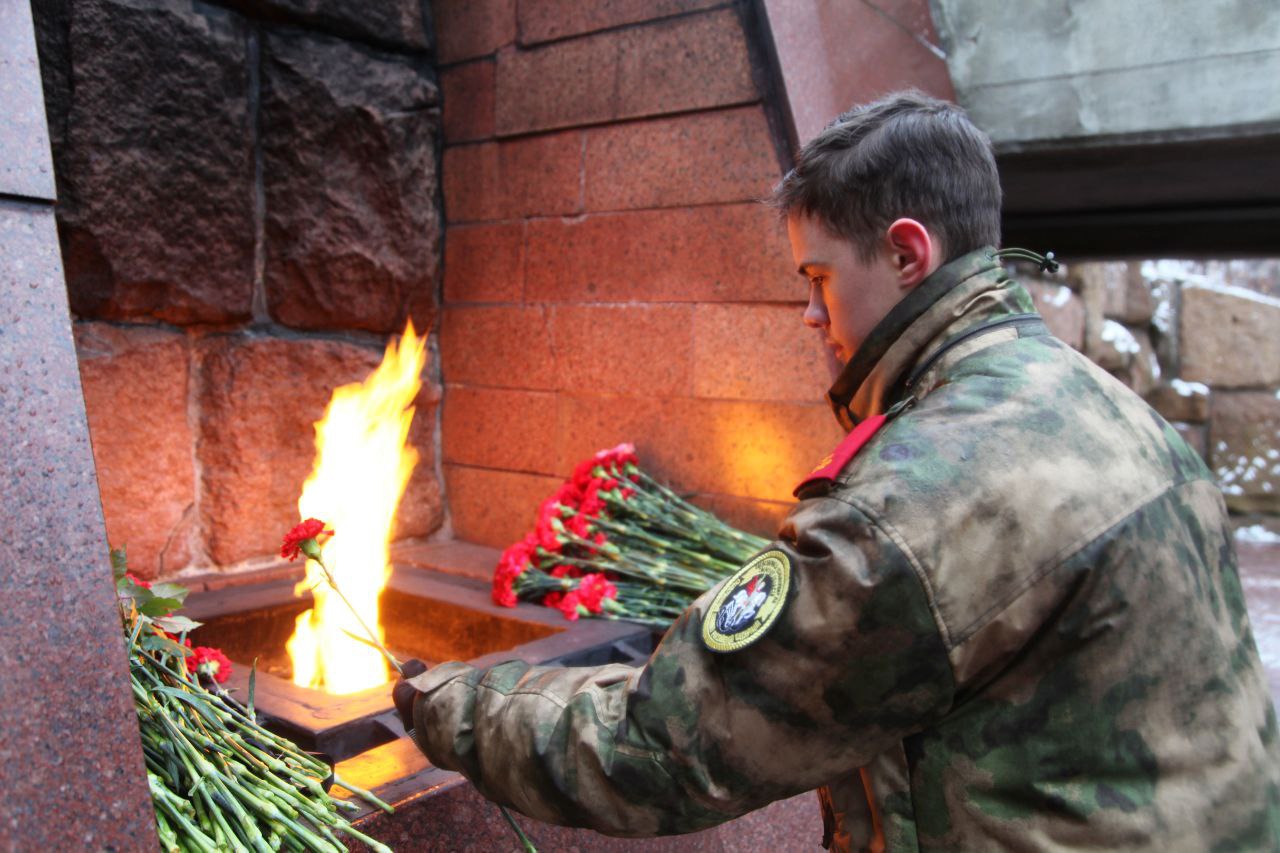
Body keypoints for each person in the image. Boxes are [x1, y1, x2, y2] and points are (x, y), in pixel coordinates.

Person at [393, 90, 1279, 850]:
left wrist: (448, 700)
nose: (810, 316)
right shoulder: (1114, 408)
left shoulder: (918, 497)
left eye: (818, 277)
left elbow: (665, 747)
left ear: (906, 254)